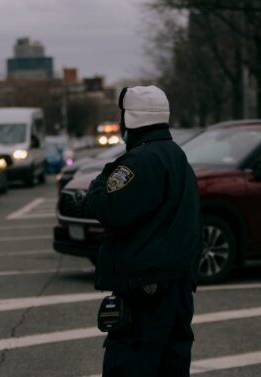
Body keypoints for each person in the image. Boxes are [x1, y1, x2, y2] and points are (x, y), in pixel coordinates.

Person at [86, 85, 202, 376]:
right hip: (177, 284)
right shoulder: (177, 156)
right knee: (171, 366)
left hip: (145, 288)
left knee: (129, 365)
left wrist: (102, 179)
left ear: (130, 119)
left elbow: (109, 208)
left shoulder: (140, 161)